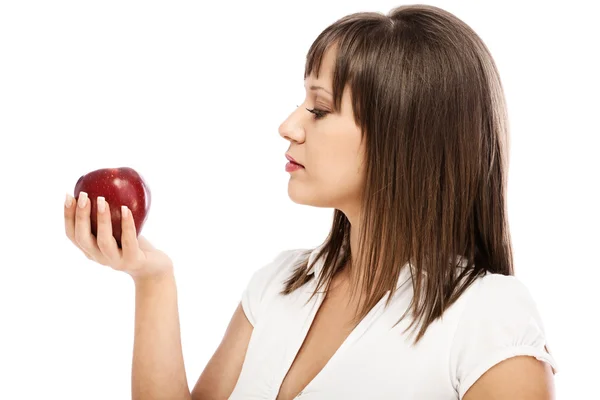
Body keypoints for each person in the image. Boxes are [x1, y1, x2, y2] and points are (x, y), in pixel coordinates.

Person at [63, 4, 558, 399]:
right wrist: (152, 278)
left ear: (403, 138)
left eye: (319, 109)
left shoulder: (487, 319)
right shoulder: (280, 285)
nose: (289, 125)